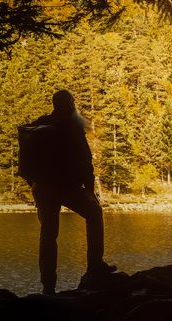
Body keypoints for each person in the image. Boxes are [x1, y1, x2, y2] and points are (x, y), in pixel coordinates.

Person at [28, 90, 116, 295]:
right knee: (94, 213)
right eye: (72, 102)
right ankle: (95, 266)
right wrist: (90, 190)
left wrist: (33, 183)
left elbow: (26, 156)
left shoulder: (39, 124)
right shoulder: (73, 126)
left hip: (42, 188)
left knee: (48, 235)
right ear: (68, 104)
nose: (74, 105)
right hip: (66, 187)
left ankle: (48, 287)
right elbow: (85, 160)